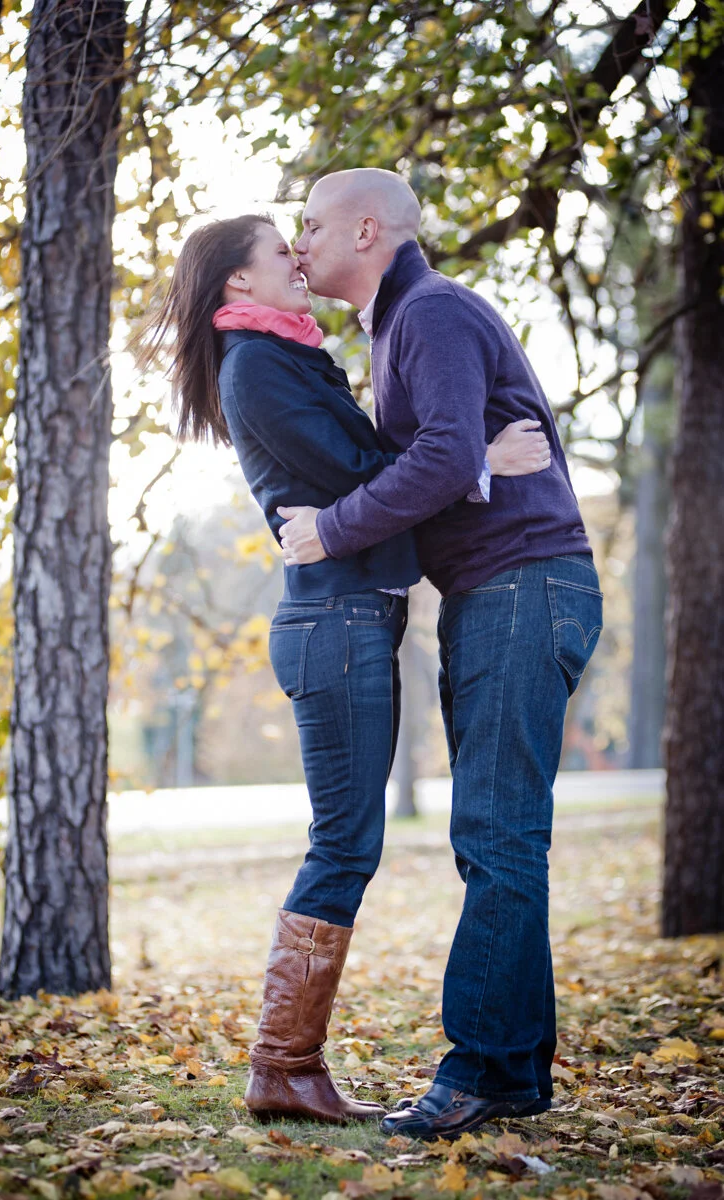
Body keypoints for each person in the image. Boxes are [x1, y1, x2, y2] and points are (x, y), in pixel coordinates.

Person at [136, 212, 550, 1125]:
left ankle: (288, 1065)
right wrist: (479, 456)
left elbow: (362, 477)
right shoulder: (257, 367)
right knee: (344, 845)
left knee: (347, 844)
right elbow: (364, 467)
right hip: (333, 622)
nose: (297, 258)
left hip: (355, 615)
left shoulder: (282, 355)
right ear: (236, 284)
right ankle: (282, 1063)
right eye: (280, 251)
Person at [279, 169, 603, 1139]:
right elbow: (454, 461)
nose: (298, 244)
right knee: (500, 839)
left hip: (524, 585)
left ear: (367, 228)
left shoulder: (431, 311)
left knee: (497, 837)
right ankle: (511, 1071)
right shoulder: (397, 326)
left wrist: (332, 530)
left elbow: (445, 451)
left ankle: (477, 1071)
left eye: (310, 224)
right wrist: (461, 472)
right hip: (501, 591)